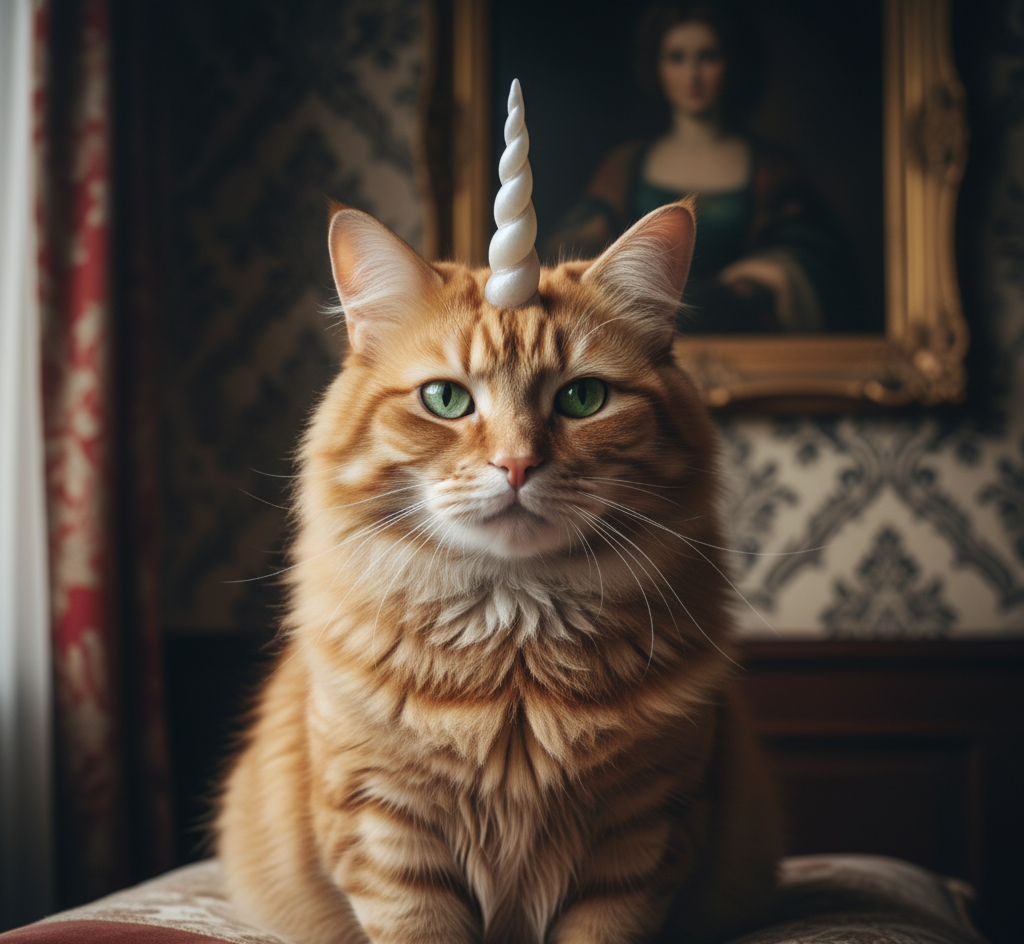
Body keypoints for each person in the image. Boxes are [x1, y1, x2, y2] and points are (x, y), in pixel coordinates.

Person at [546, 1, 862, 333]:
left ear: (731, 65)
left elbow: (820, 262)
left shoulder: (770, 167)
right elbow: (569, 255)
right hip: (639, 335)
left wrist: (765, 275)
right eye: (677, 58)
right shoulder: (626, 163)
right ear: (656, 67)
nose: (692, 75)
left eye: (707, 57)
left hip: (745, 337)